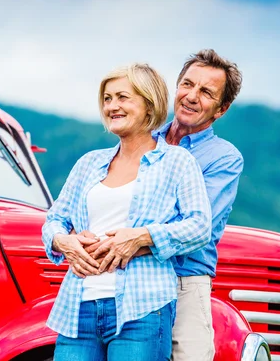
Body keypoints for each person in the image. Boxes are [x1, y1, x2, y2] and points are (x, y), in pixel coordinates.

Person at [42, 63, 212, 361]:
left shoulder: (177, 162)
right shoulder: (88, 163)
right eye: (107, 99)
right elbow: (54, 219)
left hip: (143, 307)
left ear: (149, 105)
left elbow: (199, 226)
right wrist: (62, 241)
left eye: (122, 97)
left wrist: (141, 237)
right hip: (78, 305)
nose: (112, 106)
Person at [87, 49, 244, 361]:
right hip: (131, 276)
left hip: (184, 282)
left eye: (206, 92)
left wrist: (131, 237)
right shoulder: (139, 141)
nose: (191, 96)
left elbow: (198, 227)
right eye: (187, 84)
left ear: (221, 109)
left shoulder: (224, 158)